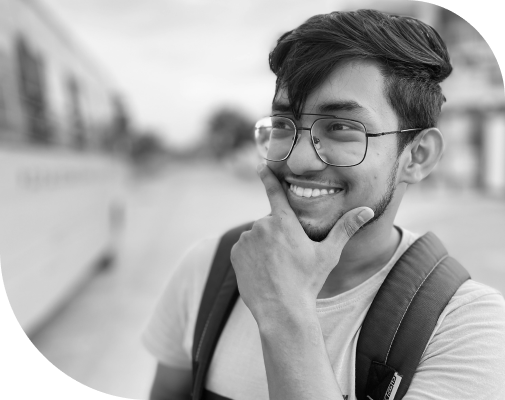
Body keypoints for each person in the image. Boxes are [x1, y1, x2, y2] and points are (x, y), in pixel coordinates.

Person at [142, 9, 505, 400]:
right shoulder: (211, 268)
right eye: (284, 124)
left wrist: (283, 314)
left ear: (417, 156)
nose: (297, 160)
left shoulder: (466, 328)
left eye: (342, 128)